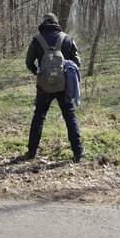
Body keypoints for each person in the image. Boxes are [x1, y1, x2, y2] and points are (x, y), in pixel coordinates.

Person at [24, 13, 85, 162]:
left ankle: (32, 152)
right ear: (56, 23)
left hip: (44, 86)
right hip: (64, 86)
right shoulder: (67, 39)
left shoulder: (36, 39)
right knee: (69, 117)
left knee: (39, 117)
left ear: (43, 23)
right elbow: (77, 62)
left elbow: (28, 62)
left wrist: (37, 72)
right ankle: (78, 152)